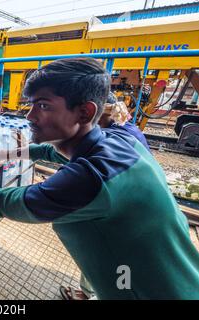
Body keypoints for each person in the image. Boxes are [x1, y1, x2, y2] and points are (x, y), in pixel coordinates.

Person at [0, 58, 199, 299]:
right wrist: (11, 154)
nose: (29, 116)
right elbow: (54, 151)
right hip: (184, 274)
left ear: (84, 112)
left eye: (43, 106)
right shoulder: (123, 140)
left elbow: (23, 202)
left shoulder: (91, 178)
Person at [60, 92, 151, 300]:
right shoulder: (123, 129)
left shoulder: (118, 138)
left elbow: (99, 171)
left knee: (111, 259)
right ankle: (90, 291)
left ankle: (89, 294)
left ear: (96, 115)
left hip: (127, 215)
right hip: (129, 209)